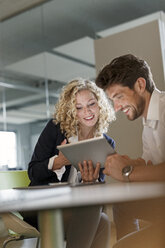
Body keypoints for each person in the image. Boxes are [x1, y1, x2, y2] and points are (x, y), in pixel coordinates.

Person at [26, 78, 116, 248]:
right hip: (42, 205)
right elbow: (33, 172)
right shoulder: (56, 129)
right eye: (78, 107)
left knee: (102, 220)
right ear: (71, 111)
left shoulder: (106, 142)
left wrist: (92, 183)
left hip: (76, 207)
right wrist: (58, 162)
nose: (87, 112)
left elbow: (100, 189)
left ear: (100, 105)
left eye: (91, 104)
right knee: (96, 217)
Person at [95, 54, 165, 247]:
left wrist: (128, 171)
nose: (116, 108)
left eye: (119, 97)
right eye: (112, 100)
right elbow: (151, 164)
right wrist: (129, 163)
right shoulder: (148, 121)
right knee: (123, 203)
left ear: (140, 85)